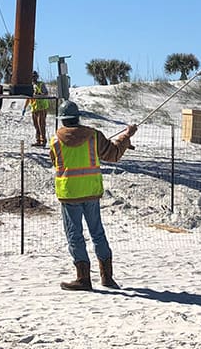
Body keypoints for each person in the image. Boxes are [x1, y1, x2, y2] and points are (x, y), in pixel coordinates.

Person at [50, 99, 137, 291]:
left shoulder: (55, 140)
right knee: (97, 233)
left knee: (74, 235)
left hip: (69, 193)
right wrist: (126, 136)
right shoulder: (94, 136)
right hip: (91, 191)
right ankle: (107, 278)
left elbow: (54, 160)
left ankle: (83, 278)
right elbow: (113, 154)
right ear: (77, 117)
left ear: (62, 120)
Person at [24, 70, 51, 147]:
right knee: (36, 125)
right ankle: (38, 140)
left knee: (41, 124)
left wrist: (40, 94)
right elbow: (28, 98)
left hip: (42, 107)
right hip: (34, 108)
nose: (33, 78)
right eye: (32, 77)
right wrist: (25, 107)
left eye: (34, 77)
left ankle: (43, 141)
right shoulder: (30, 86)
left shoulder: (41, 84)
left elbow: (46, 93)